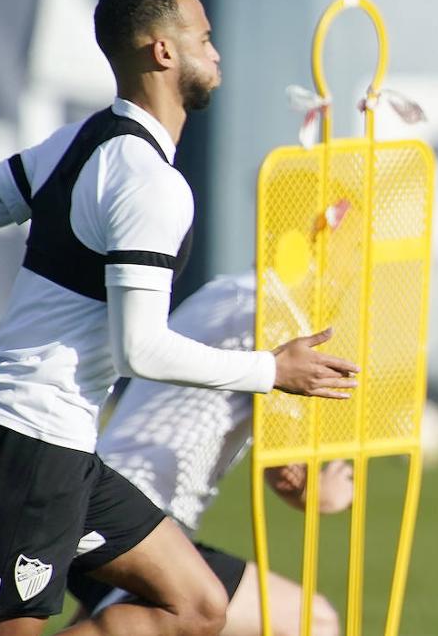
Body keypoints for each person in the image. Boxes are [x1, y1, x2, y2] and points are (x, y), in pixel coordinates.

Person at [0, 0, 358, 636]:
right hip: (28, 441)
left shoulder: (77, 141)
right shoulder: (149, 182)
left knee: (198, 604)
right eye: (205, 38)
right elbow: (143, 349)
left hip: (62, 446)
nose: (217, 53)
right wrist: (273, 371)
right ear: (163, 51)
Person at [66, 270, 351, 636]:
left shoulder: (230, 290)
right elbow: (286, 475)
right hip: (137, 512)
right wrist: (325, 492)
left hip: (111, 498)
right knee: (312, 621)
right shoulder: (277, 316)